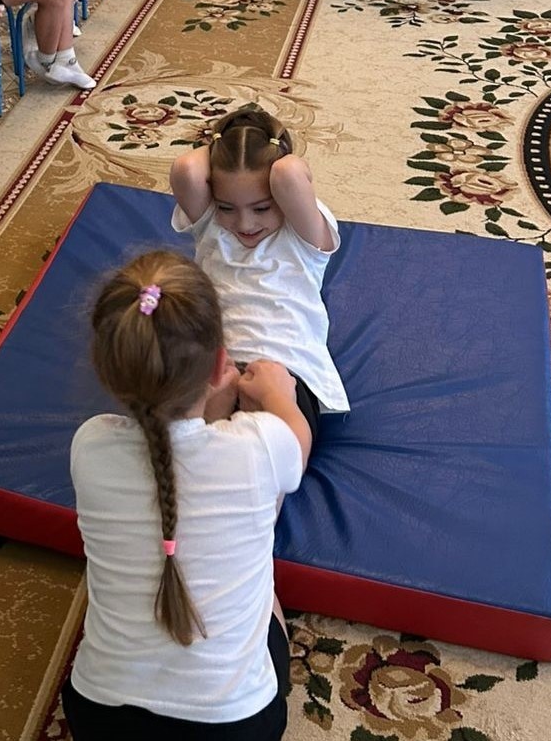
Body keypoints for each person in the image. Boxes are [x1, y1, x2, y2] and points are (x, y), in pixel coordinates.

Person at [62, 249, 308, 740]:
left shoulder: (88, 445)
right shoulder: (259, 446)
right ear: (220, 364)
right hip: (236, 726)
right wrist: (278, 393)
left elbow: (171, 452)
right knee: (266, 593)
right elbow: (297, 442)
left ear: (107, 370)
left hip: (99, 717)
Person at [170, 104, 348, 443]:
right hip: (215, 367)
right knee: (186, 438)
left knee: (267, 446)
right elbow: (186, 170)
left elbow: (289, 173)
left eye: (262, 207)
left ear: (278, 196)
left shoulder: (305, 236)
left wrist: (268, 147)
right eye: (227, 207)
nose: (245, 223)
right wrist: (224, 144)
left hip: (284, 374)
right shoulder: (211, 225)